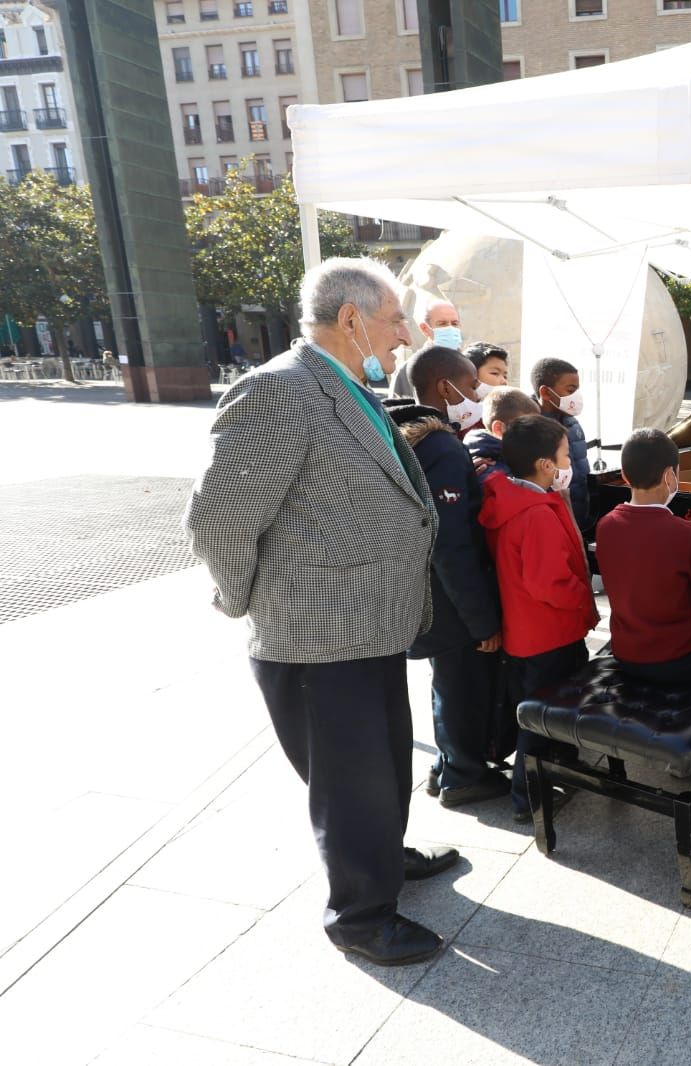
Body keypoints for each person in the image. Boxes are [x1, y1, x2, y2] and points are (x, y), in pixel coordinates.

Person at [183, 257, 457, 967]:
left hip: (369, 624)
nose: (405, 332)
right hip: (315, 636)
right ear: (350, 319)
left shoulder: (344, 383)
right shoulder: (278, 390)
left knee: (383, 765)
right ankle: (362, 917)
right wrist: (248, 602)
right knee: (350, 780)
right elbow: (219, 518)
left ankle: (384, 858)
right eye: (396, 318)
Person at [382, 347, 507, 809]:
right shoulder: (440, 448)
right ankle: (462, 776)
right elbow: (451, 544)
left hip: (420, 591)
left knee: (447, 684)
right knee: (462, 686)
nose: (478, 394)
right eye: (471, 385)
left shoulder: (407, 434)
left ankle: (446, 764)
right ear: (444, 388)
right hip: (448, 602)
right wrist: (482, 620)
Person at [479, 414, 600, 821]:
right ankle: (526, 799)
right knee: (539, 720)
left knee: (540, 713)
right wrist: (584, 600)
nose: (570, 462)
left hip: (528, 632)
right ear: (546, 465)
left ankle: (557, 772)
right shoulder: (535, 514)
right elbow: (550, 583)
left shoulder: (514, 498)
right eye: (566, 455)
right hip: (550, 634)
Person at [596, 429, 691, 683]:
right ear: (670, 476)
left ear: (625, 476)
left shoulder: (606, 526)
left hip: (626, 654)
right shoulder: (685, 533)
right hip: (682, 657)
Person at [532, 357, 591, 530]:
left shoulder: (572, 423)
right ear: (546, 393)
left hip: (579, 515)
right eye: (570, 390)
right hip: (552, 519)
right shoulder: (533, 428)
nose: (576, 397)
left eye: (577, 390)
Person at [408, 341, 492, 437]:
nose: (478, 396)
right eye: (473, 387)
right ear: (445, 388)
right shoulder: (444, 446)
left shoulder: (401, 433)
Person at [464, 386, 539, 481]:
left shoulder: (513, 457)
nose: (536, 435)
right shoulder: (488, 470)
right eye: (528, 428)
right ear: (499, 429)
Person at [391, 299, 463, 398]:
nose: (450, 328)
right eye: (442, 324)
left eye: (454, 323)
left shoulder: (472, 363)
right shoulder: (410, 370)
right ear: (425, 329)